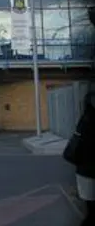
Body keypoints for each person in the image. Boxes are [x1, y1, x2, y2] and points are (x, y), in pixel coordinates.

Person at [70, 92, 95, 226]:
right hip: (88, 171)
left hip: (83, 171)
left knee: (90, 208)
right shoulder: (89, 121)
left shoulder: (84, 119)